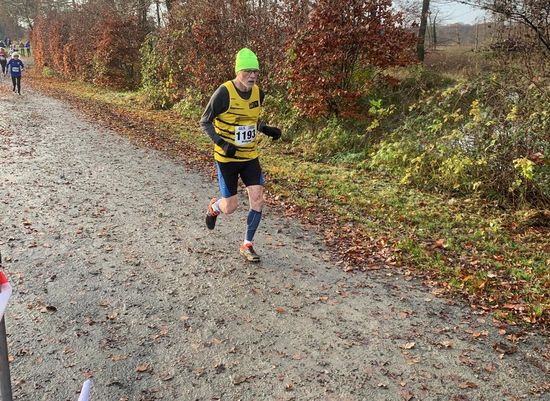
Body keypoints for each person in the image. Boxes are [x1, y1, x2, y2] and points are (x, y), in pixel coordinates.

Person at [200, 48, 282, 262]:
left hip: (249, 157)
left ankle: (247, 245)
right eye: (247, 71)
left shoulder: (258, 93)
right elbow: (205, 121)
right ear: (238, 71)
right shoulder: (224, 93)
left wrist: (265, 128)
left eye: (255, 71)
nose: (252, 76)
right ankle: (214, 208)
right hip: (226, 159)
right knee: (231, 206)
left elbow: (249, 119)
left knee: (257, 198)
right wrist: (222, 143)